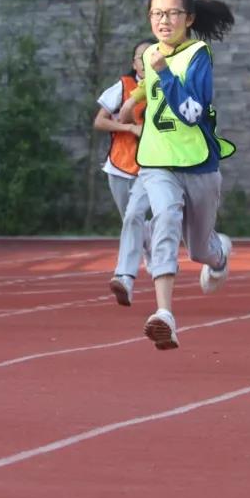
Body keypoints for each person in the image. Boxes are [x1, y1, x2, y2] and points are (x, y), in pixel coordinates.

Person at [118, 0, 236, 350]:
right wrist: (131, 100)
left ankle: (219, 255)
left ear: (189, 18)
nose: (163, 20)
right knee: (165, 219)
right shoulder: (151, 54)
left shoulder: (199, 55)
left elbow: (192, 112)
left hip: (198, 162)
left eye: (172, 13)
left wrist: (166, 72)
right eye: (156, 13)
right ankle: (164, 314)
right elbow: (148, 85)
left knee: (199, 250)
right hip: (157, 160)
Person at [94, 39, 155, 307]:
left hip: (151, 167)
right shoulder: (123, 86)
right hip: (119, 165)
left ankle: (124, 278)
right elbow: (100, 121)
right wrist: (129, 128)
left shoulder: (167, 87)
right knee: (130, 220)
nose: (146, 61)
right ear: (134, 63)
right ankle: (150, 249)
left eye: (151, 56)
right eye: (141, 57)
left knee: (133, 216)